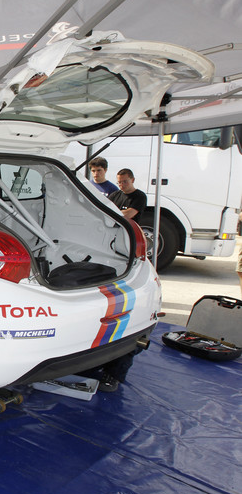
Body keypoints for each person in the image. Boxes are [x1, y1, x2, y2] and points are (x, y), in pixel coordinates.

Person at [96, 167, 148, 392]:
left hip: (130, 246)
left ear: (132, 180)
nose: (122, 186)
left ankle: (114, 374)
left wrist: (116, 213)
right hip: (112, 245)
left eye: (125, 182)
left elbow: (128, 214)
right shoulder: (115, 195)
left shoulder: (139, 196)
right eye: (119, 182)